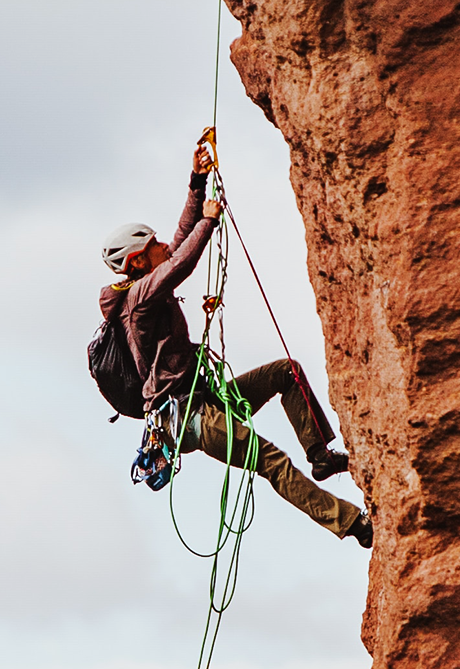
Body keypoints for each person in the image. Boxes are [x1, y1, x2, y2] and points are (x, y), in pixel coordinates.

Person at [97, 140, 372, 548]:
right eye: (152, 245)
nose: (162, 246)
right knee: (272, 462)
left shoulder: (145, 284)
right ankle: (352, 524)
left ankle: (322, 457)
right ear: (137, 261)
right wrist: (209, 221)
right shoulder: (138, 299)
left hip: (202, 399)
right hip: (190, 417)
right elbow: (181, 262)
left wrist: (197, 182)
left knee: (286, 372)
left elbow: (178, 242)